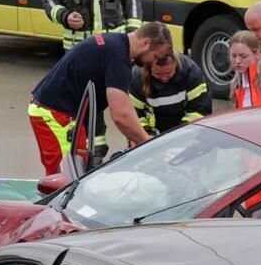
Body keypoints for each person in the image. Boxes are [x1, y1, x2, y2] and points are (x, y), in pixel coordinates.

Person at [28, 24, 169, 176]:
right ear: (146, 43)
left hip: (61, 112)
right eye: (155, 56)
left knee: (74, 173)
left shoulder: (115, 44)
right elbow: (121, 115)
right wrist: (146, 142)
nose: (152, 62)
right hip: (57, 114)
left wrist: (138, 135)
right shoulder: (118, 58)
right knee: (66, 178)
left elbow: (125, 104)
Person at [129, 46, 211, 135]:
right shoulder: (137, 78)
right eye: (158, 74)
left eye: (169, 73)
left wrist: (181, 133)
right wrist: (147, 134)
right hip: (152, 134)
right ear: (149, 68)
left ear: (175, 64)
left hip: (185, 131)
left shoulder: (191, 72)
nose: (164, 78)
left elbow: (201, 109)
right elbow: (134, 115)